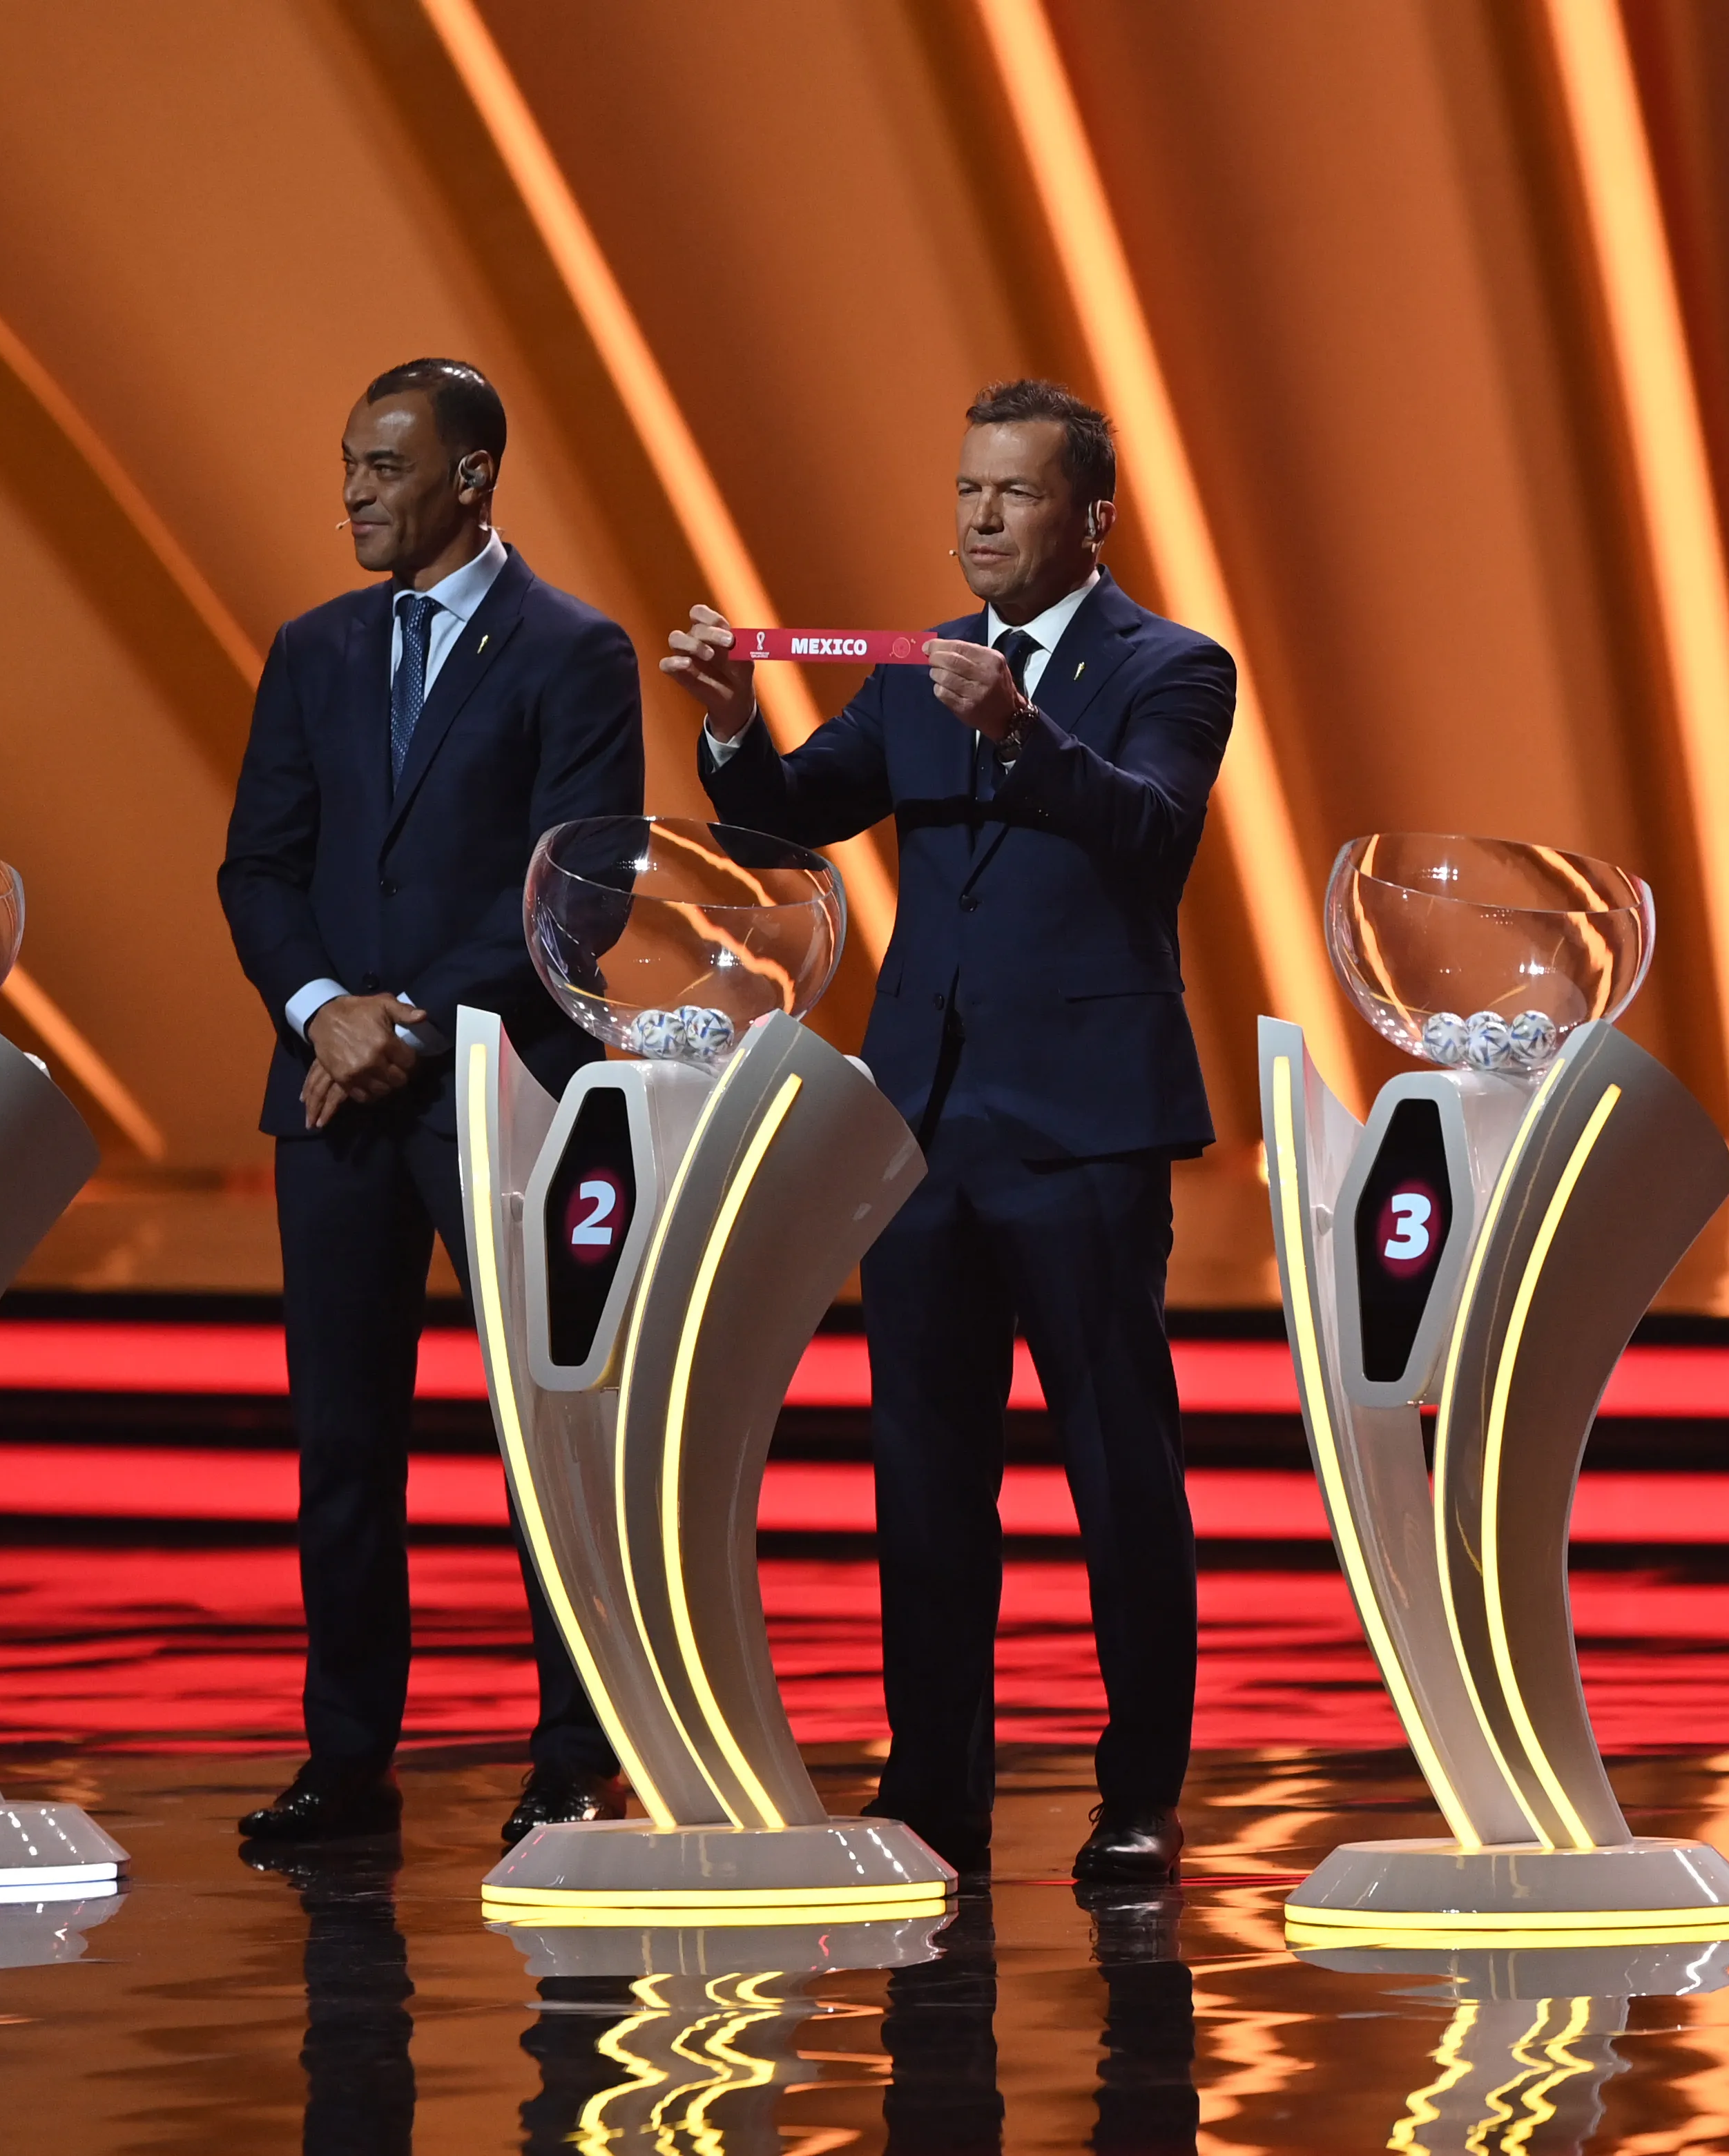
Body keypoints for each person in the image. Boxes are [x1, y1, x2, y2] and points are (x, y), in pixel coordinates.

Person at [663, 379, 1226, 1885]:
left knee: (1118, 1467)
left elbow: (1153, 832)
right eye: (966, 492)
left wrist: (1029, 732)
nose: (977, 520)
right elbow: (792, 816)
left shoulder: (1172, 665)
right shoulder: (917, 667)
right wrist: (730, 730)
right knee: (921, 1473)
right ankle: (933, 1794)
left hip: (1081, 1125)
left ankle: (1136, 1795)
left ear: (1088, 515)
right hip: (916, 1128)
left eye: (1012, 495)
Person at [219, 358, 643, 1845]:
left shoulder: (572, 652)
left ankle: (573, 1753)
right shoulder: (312, 649)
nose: (352, 491)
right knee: (342, 1440)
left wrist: (404, 1020)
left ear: (471, 477)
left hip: (500, 1091)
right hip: (332, 1102)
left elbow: (580, 890)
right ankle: (348, 1759)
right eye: (347, 463)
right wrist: (319, 1012)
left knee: (547, 1436)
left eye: (383, 466)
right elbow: (257, 868)